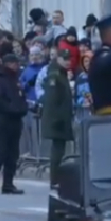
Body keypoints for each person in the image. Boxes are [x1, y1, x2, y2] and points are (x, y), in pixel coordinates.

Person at [0, 54, 27, 194]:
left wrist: (23, 108)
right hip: (2, 123)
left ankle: (8, 183)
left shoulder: (15, 81)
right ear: (7, 64)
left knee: (13, 155)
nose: (16, 66)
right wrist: (13, 109)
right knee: (0, 154)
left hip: (15, 123)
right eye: (13, 63)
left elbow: (22, 97)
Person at [39, 48, 75, 189]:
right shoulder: (55, 75)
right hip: (57, 120)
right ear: (58, 59)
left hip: (61, 118)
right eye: (64, 59)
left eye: (69, 59)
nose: (67, 62)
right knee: (57, 153)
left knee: (59, 151)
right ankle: (55, 180)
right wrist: (57, 119)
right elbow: (53, 99)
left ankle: (57, 179)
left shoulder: (61, 74)